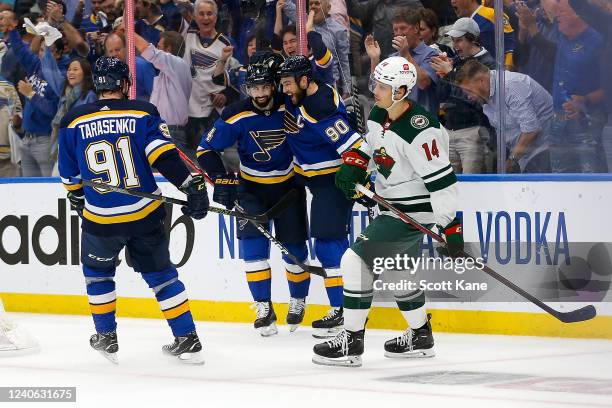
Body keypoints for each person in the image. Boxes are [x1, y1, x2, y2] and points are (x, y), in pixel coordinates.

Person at [57, 56, 209, 364]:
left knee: (98, 274)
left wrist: (76, 197)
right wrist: (189, 187)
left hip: (101, 219)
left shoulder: (72, 119)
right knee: (163, 276)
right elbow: (162, 156)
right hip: (144, 213)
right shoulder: (142, 112)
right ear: (124, 83)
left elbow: (69, 174)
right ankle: (186, 337)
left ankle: (106, 336)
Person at [312, 56, 462, 367]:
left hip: (411, 214)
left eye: (382, 86)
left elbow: (443, 182)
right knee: (397, 272)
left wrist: (450, 228)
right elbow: (371, 145)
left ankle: (351, 342)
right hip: (390, 205)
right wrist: (355, 162)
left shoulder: (422, 132)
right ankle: (421, 335)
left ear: (402, 90)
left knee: (354, 260)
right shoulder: (380, 113)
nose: (375, 90)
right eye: (376, 83)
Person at [198, 52, 312, 336]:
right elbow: (205, 150)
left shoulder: (292, 106)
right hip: (250, 190)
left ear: (274, 85)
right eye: (254, 88)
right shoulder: (236, 113)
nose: (259, 94)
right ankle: (263, 306)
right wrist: (220, 177)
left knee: (295, 251)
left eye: (264, 87)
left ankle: (297, 300)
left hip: (289, 188)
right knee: (253, 251)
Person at [278, 55, 364, 338]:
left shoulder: (320, 107)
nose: (285, 90)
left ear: (305, 81)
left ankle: (342, 312)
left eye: (289, 83)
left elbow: (354, 147)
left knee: (329, 244)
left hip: (331, 180)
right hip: (308, 177)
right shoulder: (307, 92)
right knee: (323, 241)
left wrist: (358, 178)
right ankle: (343, 310)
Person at [457, 60, 551, 173]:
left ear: (481, 81)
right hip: (523, 157)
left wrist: (511, 161)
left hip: (544, 152)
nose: (468, 97)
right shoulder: (485, 96)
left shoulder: (509, 85)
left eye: (469, 91)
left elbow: (531, 130)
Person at [430, 17, 495, 173]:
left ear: (473, 39)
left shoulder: (488, 64)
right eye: (453, 41)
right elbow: (441, 96)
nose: (455, 46)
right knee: (452, 187)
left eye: (459, 40)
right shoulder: (456, 62)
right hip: (450, 130)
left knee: (473, 187)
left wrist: (450, 75)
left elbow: (477, 100)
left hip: (474, 131)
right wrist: (442, 75)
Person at [183, 0, 239, 161]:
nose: (205, 17)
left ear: (216, 16)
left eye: (209, 13)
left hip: (213, 112)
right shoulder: (188, 34)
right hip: (187, 110)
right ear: (195, 16)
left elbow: (235, 76)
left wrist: (226, 94)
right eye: (201, 13)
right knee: (189, 161)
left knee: (212, 158)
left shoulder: (226, 44)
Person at [365, 8, 440, 117]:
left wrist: (405, 54)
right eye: (395, 29)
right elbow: (377, 88)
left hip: (423, 123)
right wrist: (374, 59)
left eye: (403, 28)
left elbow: (423, 83)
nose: (398, 33)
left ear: (416, 28)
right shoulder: (394, 57)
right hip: (397, 122)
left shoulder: (432, 54)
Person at [133, 31, 193, 160]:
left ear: (168, 49)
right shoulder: (164, 74)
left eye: (159, 46)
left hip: (171, 133)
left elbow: (149, 51)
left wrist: (129, 31)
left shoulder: (179, 64)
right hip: (157, 131)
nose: (156, 48)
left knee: (171, 178)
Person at [450, 0, 515, 69]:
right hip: (479, 72)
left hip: (497, 73)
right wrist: (452, 62)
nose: (452, 1)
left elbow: (509, 38)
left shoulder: (491, 14)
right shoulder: (464, 22)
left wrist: (508, 66)